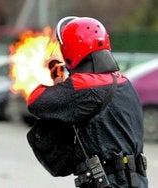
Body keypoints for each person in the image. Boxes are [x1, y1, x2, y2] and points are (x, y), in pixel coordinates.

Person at [27, 16, 148, 188]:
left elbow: (36, 102)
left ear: (71, 50)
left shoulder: (85, 86)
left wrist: (58, 81)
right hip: (135, 182)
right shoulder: (123, 81)